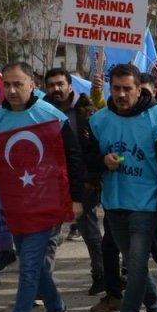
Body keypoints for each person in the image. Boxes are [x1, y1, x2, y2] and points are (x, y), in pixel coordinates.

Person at [0, 62, 84, 312]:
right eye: (6, 84)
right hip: (15, 202)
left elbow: (73, 158)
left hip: (47, 202)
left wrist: (77, 198)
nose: (11, 90)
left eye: (18, 84)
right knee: (30, 260)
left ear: (33, 84)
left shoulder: (51, 116)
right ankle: (57, 309)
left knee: (29, 266)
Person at [89, 63, 157, 312]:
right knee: (135, 265)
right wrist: (102, 162)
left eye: (127, 88)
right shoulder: (99, 120)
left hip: (146, 204)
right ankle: (155, 309)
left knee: (135, 264)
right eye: (116, 88)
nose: (121, 94)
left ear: (140, 89)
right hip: (114, 203)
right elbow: (86, 159)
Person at [43, 67, 104, 295]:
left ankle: (101, 276)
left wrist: (91, 178)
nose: (56, 89)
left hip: (83, 182)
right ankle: (44, 286)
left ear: (70, 86)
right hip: (51, 183)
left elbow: (96, 146)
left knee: (90, 232)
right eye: (51, 85)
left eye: (60, 84)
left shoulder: (87, 110)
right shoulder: (41, 111)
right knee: (49, 236)